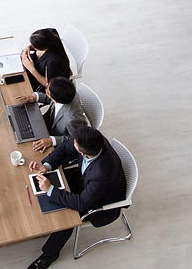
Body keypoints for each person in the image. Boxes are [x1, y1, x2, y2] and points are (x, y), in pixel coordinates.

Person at [26, 127, 126, 269]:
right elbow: (64, 148)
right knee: (50, 187)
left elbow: (81, 203)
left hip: (100, 203)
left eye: (75, 145)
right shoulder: (92, 139)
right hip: (85, 181)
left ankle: (49, 255)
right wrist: (46, 166)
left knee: (67, 218)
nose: (72, 143)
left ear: (82, 153)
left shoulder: (102, 173)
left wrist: (50, 189)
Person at [15, 77, 88, 153]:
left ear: (55, 100)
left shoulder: (72, 119)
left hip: (56, 139)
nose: (46, 89)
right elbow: (50, 98)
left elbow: (76, 139)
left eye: (47, 91)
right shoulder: (65, 92)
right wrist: (35, 97)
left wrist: (52, 141)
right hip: (47, 124)